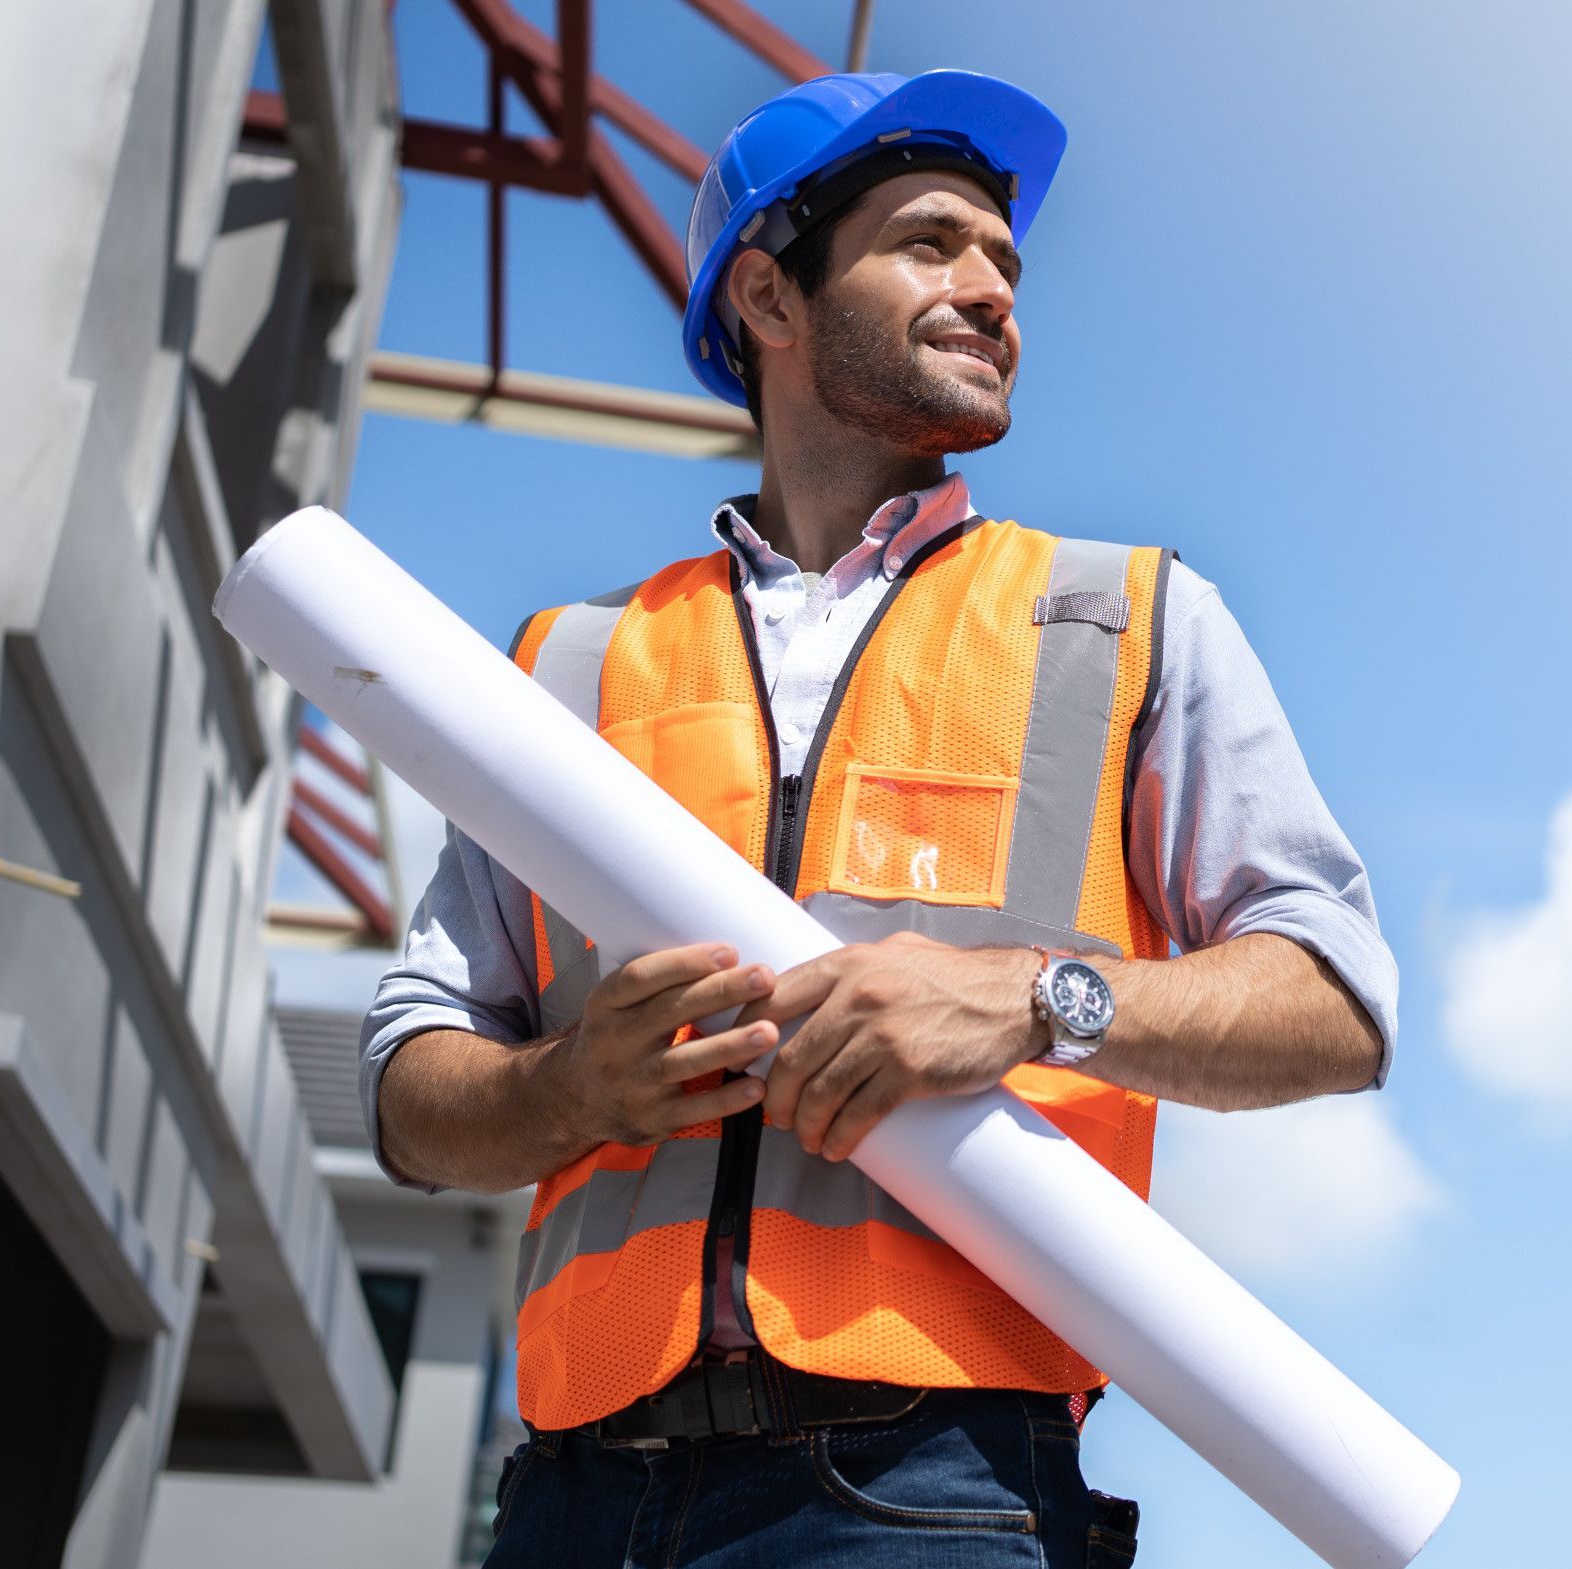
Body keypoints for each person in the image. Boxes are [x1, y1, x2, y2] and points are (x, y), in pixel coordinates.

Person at [362, 69, 1397, 1568]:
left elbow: (1339, 1000)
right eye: (933, 242)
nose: (993, 290)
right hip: (574, 1501)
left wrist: (1040, 999)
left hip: (937, 1490)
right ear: (771, 298)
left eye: (1008, 264)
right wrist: (573, 1083)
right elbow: (409, 1089)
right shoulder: (567, 666)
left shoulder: (1121, 620)